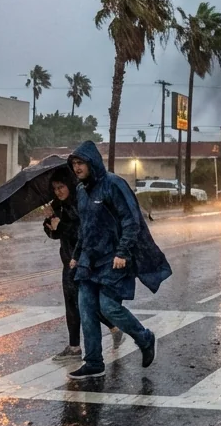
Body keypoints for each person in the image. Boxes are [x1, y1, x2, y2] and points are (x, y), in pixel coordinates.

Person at [65, 141, 172, 381]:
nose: (77, 168)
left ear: (92, 162)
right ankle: (93, 362)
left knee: (108, 307)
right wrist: (76, 256)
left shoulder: (113, 185)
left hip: (113, 260)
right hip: (89, 261)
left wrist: (122, 252)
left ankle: (144, 338)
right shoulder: (82, 191)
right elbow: (85, 228)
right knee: (86, 309)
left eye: (80, 163)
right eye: (74, 164)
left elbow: (131, 220)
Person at [42, 170, 116, 361]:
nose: (58, 191)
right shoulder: (59, 206)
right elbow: (55, 235)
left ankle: (114, 326)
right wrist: (49, 220)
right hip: (68, 261)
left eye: (61, 187)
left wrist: (62, 226)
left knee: (86, 302)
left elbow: (84, 233)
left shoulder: (80, 203)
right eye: (55, 189)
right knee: (73, 304)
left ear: (69, 185)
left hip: (84, 261)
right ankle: (75, 346)